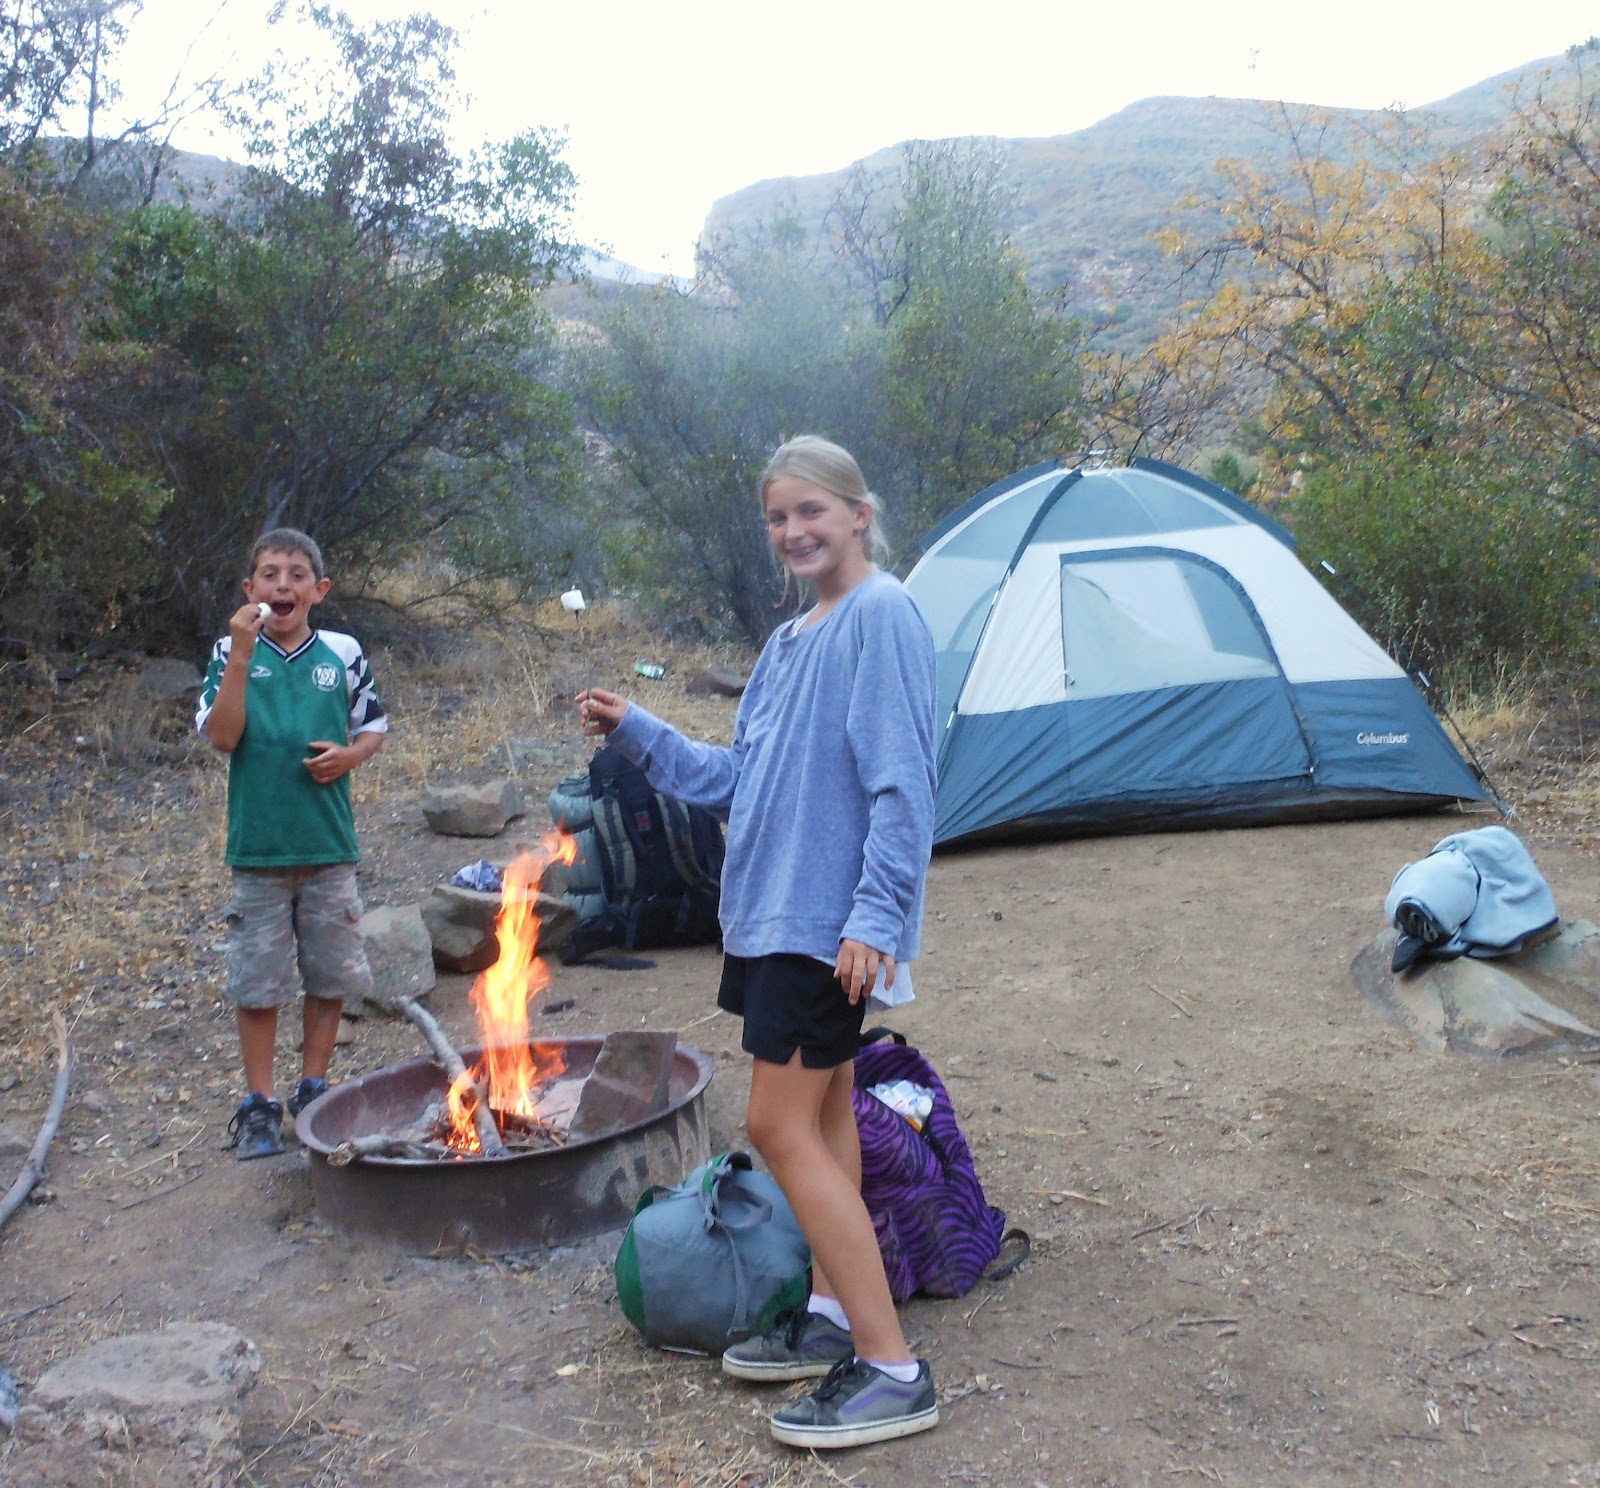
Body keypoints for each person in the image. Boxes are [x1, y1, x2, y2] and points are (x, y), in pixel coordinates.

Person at [578, 435, 939, 1449]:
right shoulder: (790, 643)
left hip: (823, 926)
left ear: (858, 512)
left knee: (777, 1127)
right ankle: (832, 1316)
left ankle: (891, 1368)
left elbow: (902, 784)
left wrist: (874, 917)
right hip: (774, 914)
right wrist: (638, 730)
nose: (793, 532)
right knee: (820, 1122)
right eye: (778, 518)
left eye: (811, 512)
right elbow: (740, 779)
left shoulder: (882, 614)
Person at [195, 528, 388, 1160]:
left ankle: (314, 1088)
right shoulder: (230, 650)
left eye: (297, 574)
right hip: (259, 850)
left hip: (329, 845)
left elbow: (373, 726)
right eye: (270, 575)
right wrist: (243, 655)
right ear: (250, 590)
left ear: (319, 589)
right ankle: (258, 1104)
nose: (284, 585)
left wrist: (349, 756)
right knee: (258, 982)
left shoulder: (342, 652)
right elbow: (223, 737)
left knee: (328, 973)